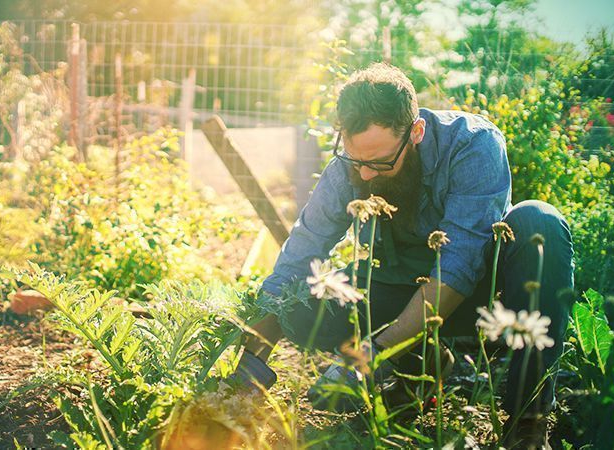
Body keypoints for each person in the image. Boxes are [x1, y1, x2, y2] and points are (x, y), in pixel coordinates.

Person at [228, 63, 573, 449]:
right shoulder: (351, 166)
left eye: (378, 163)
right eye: (355, 160)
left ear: (417, 133)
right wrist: (251, 362)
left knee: (540, 222)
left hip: (479, 296)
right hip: (394, 288)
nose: (366, 174)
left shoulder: (472, 145)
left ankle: (528, 423)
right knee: (300, 308)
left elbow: (458, 267)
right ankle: (422, 367)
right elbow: (301, 253)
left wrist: (370, 355)